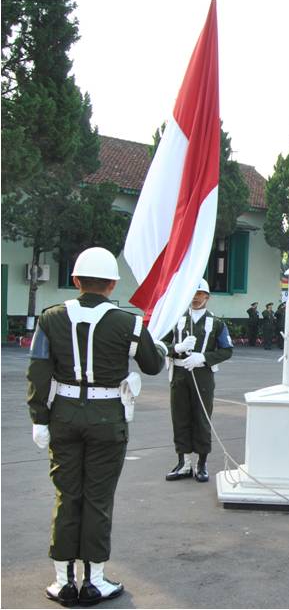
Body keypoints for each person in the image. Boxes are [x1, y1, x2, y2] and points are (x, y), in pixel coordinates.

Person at [27, 247, 167, 606]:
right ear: (112, 284)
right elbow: (152, 366)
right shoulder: (129, 322)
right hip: (107, 420)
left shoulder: (50, 318)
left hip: (64, 417)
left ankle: (63, 581)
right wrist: (161, 348)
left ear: (76, 281)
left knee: (67, 495)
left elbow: (39, 371)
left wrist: (39, 418)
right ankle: (95, 580)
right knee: (98, 499)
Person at [163, 279, 234, 483]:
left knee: (202, 417)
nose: (196, 298)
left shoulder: (216, 323)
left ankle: (201, 463)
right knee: (180, 417)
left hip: (202, 373)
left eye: (200, 294)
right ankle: (183, 462)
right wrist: (175, 348)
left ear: (207, 297)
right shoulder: (176, 319)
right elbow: (161, 343)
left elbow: (227, 350)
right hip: (179, 372)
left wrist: (203, 358)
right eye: (193, 294)